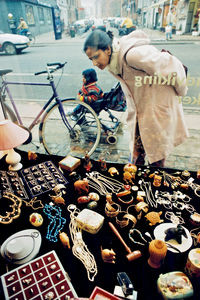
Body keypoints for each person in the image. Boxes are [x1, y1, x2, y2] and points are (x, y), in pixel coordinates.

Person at [83, 29, 188, 167]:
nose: (94, 63)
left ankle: (151, 185)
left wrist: (181, 91)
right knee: (136, 155)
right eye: (91, 59)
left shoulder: (132, 56)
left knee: (156, 160)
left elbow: (173, 67)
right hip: (142, 115)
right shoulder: (114, 64)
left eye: (96, 57)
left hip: (157, 111)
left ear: (108, 49)